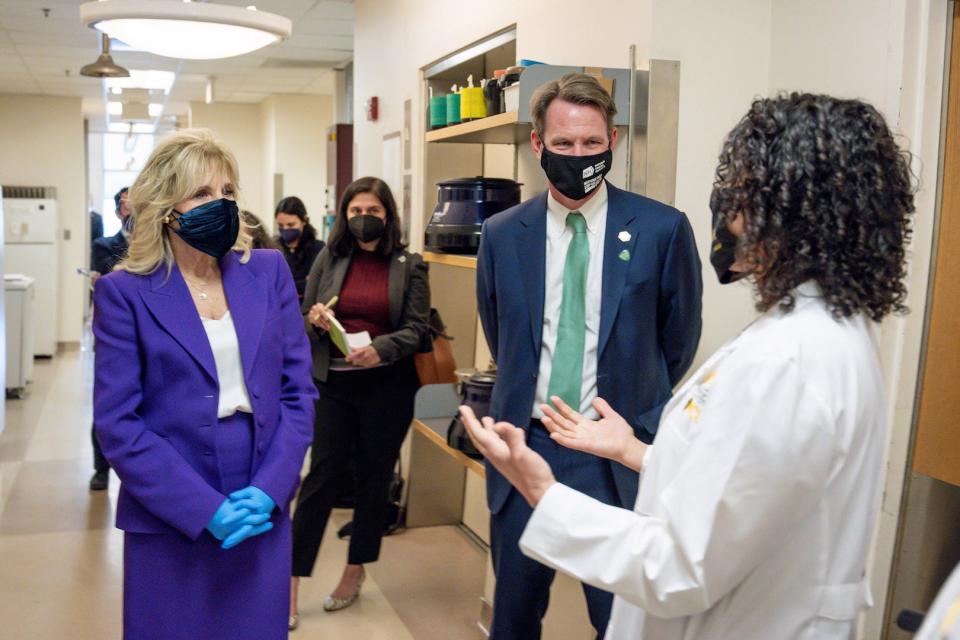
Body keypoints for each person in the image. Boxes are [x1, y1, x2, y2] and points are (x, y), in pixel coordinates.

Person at [460, 93, 915, 639]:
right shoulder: (823, 332)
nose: (729, 210)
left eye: (744, 191)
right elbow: (738, 489)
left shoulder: (789, 362)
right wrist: (632, 449)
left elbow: (682, 567)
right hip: (575, 445)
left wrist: (545, 494)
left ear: (791, 210)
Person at [475, 73, 702, 638]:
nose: (578, 156)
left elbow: (678, 340)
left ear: (614, 140)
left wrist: (631, 422)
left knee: (619, 619)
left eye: (592, 144)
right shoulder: (503, 233)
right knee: (515, 614)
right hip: (527, 445)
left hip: (612, 456)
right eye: (564, 144)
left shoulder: (661, 229)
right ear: (537, 144)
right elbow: (502, 333)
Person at [92, 129, 318, 640]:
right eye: (202, 194)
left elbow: (297, 393)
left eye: (229, 191)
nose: (221, 204)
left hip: (260, 490)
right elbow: (117, 425)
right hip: (170, 498)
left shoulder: (268, 271)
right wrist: (203, 508)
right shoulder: (123, 293)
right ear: (164, 207)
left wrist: (271, 488)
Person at [289, 176, 430, 628]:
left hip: (387, 389)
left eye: (371, 210)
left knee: (373, 480)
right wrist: (314, 321)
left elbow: (417, 330)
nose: (363, 218)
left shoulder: (409, 264)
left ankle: (354, 571)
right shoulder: (330, 257)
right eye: (355, 211)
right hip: (334, 385)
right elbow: (306, 320)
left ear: (387, 214)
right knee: (320, 480)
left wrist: (382, 349)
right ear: (344, 217)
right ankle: (289, 582)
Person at [87, 186, 131, 491]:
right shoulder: (104, 245)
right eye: (128, 207)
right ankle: (101, 467)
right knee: (109, 399)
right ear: (118, 212)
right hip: (112, 330)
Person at [275, 195, 325, 301]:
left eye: (291, 224)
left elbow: (315, 286)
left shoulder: (319, 249)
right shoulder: (274, 248)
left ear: (304, 221)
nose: (285, 229)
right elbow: (272, 286)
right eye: (280, 225)